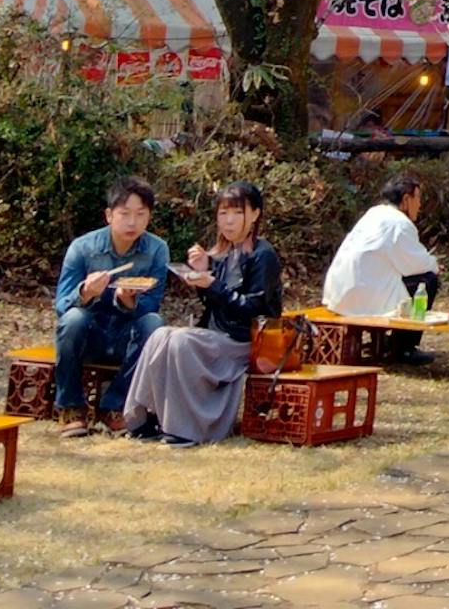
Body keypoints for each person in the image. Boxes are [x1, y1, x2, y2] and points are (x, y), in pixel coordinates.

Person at [121, 181, 283, 447]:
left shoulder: (263, 255)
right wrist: (201, 272)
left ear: (255, 214)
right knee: (161, 334)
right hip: (217, 334)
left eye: (237, 213)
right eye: (223, 213)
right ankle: (145, 417)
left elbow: (254, 310)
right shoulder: (223, 251)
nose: (229, 221)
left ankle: (186, 428)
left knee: (181, 341)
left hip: (245, 342)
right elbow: (214, 301)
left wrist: (213, 285)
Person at [52, 175, 173, 436]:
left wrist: (127, 301)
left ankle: (115, 406)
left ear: (149, 217)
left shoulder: (156, 250)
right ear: (109, 215)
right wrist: (85, 292)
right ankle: (71, 407)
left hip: (125, 339)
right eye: (124, 213)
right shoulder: (83, 248)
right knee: (73, 318)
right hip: (89, 336)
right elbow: (61, 306)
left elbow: (152, 305)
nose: (132, 222)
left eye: (140, 214)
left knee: (154, 324)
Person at [322, 173, 440, 359]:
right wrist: (435, 265)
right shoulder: (400, 224)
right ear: (406, 199)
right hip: (366, 295)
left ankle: (389, 342)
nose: (420, 205)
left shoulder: (374, 213)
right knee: (428, 281)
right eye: (418, 198)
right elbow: (417, 265)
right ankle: (404, 348)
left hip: (340, 293)